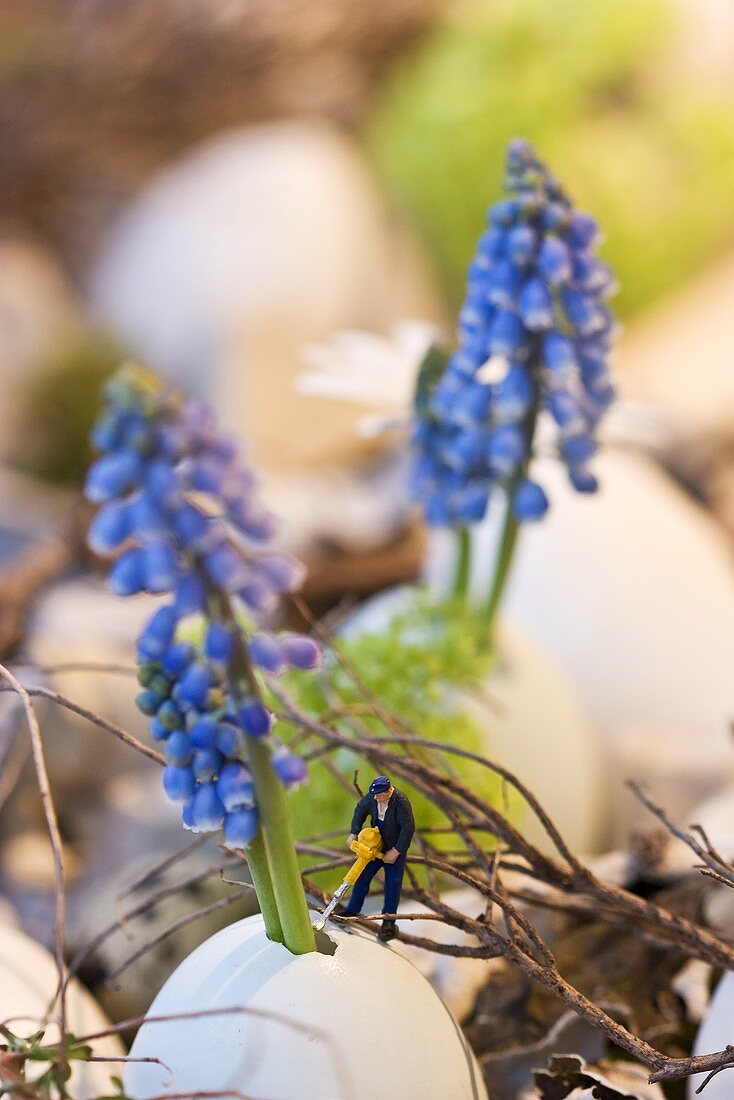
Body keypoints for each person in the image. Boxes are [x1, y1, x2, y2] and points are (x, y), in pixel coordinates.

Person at [344, 775, 415, 942]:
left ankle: (388, 923)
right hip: (375, 845)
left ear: (389, 791)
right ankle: (352, 909)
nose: (375, 797)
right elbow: (360, 809)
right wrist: (353, 832)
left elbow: (408, 828)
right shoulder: (373, 797)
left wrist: (396, 851)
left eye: (379, 794)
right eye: (374, 794)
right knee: (362, 877)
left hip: (394, 848)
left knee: (392, 886)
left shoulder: (401, 802)